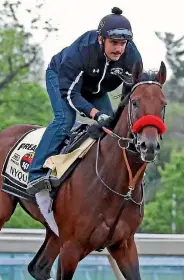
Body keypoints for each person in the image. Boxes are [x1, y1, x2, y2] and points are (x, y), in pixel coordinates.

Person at [26, 6, 143, 195]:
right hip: (63, 79)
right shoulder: (81, 51)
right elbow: (71, 94)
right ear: (100, 39)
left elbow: (130, 94)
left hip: (95, 88)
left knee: (112, 128)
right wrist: (96, 114)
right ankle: (35, 173)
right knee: (65, 119)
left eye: (123, 43)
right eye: (114, 43)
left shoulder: (132, 56)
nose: (119, 49)